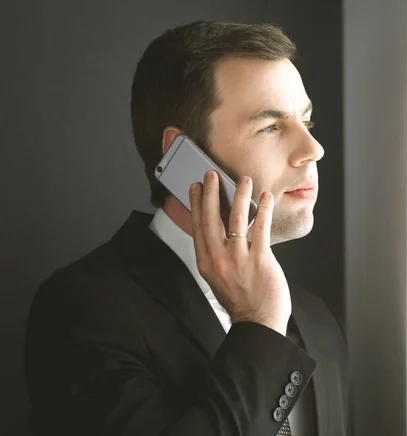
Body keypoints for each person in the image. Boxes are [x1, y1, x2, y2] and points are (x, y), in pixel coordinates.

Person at [23, 20, 350, 436]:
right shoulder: (79, 311)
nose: (313, 149)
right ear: (184, 155)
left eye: (308, 122)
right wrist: (259, 325)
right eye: (270, 127)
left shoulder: (317, 320)